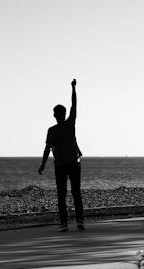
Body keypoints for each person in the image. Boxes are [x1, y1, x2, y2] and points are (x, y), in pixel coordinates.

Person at [38, 79, 84, 232]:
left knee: (61, 194)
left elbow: (47, 149)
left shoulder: (52, 130)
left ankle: (64, 223)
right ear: (64, 114)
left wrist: (43, 165)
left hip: (61, 166)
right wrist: (73, 88)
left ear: (54, 115)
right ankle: (79, 221)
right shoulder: (71, 123)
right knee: (76, 192)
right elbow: (74, 104)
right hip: (73, 163)